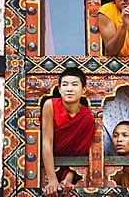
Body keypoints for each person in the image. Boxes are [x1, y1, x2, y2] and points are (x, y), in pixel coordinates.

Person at [41, 68, 95, 197]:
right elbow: (46, 143)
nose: (69, 89)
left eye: (74, 85)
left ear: (83, 90)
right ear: (59, 89)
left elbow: (80, 153)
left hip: (70, 171)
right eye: (64, 85)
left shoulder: (87, 118)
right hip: (47, 166)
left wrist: (68, 179)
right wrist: (52, 180)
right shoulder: (50, 105)